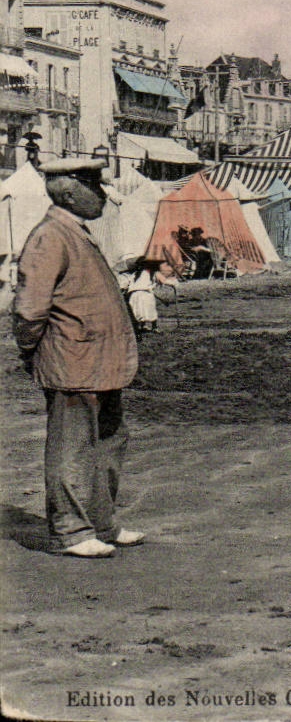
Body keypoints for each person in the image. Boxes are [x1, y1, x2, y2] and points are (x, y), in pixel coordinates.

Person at [12, 158, 145, 558]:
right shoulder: (51, 236)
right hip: (73, 362)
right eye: (95, 187)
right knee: (72, 446)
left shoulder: (75, 233)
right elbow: (30, 309)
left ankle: (101, 524)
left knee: (108, 442)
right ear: (69, 191)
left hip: (99, 363)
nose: (103, 194)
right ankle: (70, 530)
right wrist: (32, 350)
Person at [119, 256, 160, 334]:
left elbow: (128, 284)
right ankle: (153, 327)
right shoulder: (148, 273)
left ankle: (142, 326)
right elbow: (156, 283)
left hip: (137, 294)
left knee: (139, 311)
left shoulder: (136, 273)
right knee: (147, 310)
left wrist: (125, 289)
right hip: (143, 293)